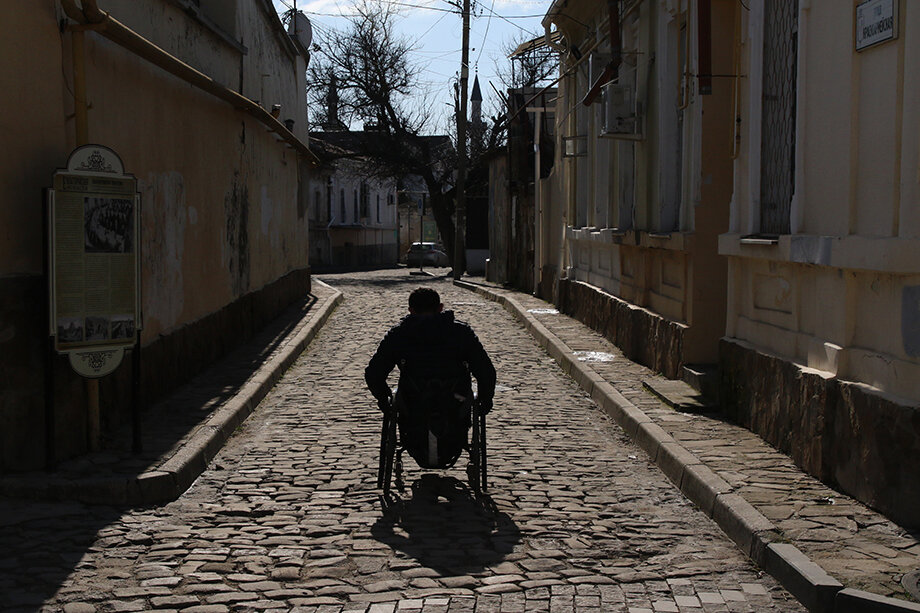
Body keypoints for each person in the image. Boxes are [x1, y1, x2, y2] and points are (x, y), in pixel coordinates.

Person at [365, 287, 496, 417]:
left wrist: (383, 397)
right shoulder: (460, 332)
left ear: (411, 310)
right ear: (440, 308)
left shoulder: (400, 334)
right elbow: (484, 370)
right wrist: (485, 398)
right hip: (455, 403)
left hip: (413, 404)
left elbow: (374, 373)